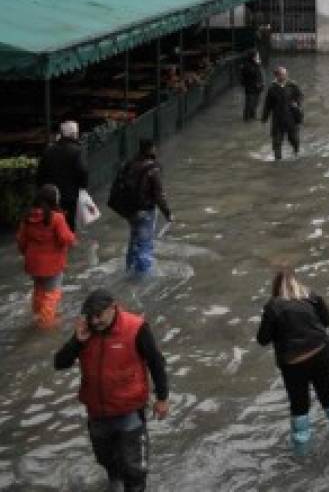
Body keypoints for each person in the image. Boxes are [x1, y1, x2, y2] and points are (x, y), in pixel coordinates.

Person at [54, 289, 170, 492]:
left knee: (135, 471)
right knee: (108, 463)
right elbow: (59, 363)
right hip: (97, 413)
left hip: (129, 411)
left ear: (113, 308)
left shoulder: (136, 328)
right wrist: (77, 341)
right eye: (90, 317)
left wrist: (162, 398)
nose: (95, 321)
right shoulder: (85, 333)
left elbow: (156, 363)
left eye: (99, 315)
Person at [256, 267, 329, 454]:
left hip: (293, 362)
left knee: (299, 407)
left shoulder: (272, 306)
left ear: (276, 289)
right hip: (322, 352)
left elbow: (262, 339)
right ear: (296, 283)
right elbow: (328, 321)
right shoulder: (312, 296)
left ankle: (302, 453)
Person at [17, 184, 77, 328]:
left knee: (39, 289)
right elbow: (65, 238)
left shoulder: (28, 216)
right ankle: (46, 325)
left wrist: (27, 254)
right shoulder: (56, 218)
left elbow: (21, 240)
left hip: (33, 263)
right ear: (54, 200)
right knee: (52, 294)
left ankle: (38, 314)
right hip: (52, 265)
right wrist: (73, 238)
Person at [123, 139, 172, 277]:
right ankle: (143, 280)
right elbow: (159, 195)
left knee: (133, 241)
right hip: (145, 211)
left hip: (130, 210)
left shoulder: (131, 164)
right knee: (145, 244)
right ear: (151, 149)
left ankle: (129, 270)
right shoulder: (153, 169)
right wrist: (167, 213)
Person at [36, 121, 89, 232]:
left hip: (50, 193)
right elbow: (82, 170)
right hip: (69, 194)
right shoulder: (77, 151)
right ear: (75, 134)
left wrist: (42, 188)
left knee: (51, 219)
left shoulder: (49, 150)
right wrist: (83, 186)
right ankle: (66, 242)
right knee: (68, 221)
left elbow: (40, 172)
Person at [262, 66, 304, 160]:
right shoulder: (272, 88)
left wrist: (297, 103)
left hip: (291, 118)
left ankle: (296, 153)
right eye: (283, 74)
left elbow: (300, 96)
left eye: (286, 74)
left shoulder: (292, 85)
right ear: (277, 76)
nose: (286, 76)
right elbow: (267, 104)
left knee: (294, 140)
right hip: (277, 119)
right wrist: (264, 118)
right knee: (276, 142)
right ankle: (277, 161)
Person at [241, 50, 265, 122]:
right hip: (250, 87)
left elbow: (259, 74)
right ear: (253, 57)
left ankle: (253, 115)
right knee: (249, 102)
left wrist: (262, 83)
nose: (258, 57)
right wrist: (257, 64)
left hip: (257, 87)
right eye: (257, 56)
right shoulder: (247, 65)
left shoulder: (256, 64)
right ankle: (247, 118)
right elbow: (251, 73)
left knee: (256, 102)